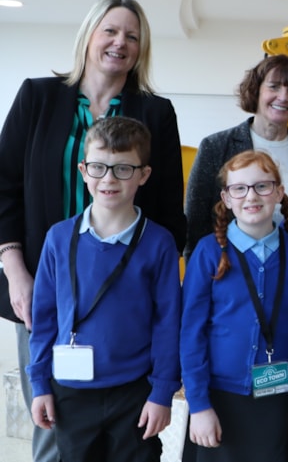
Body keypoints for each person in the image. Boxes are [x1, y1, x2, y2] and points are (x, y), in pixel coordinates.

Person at [0, 0, 185, 462]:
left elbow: (167, 208)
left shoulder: (155, 112)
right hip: (46, 286)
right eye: (110, 30)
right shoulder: (38, 97)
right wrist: (15, 268)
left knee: (126, 436)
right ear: (89, 35)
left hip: (126, 300)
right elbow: (4, 187)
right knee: (53, 427)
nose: (119, 43)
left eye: (132, 36)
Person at [27, 117, 181, 462]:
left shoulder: (158, 243)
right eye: (98, 167)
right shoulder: (58, 237)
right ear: (83, 170)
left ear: (143, 175)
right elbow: (44, 317)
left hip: (135, 392)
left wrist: (162, 391)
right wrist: (40, 385)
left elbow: (168, 322)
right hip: (70, 391)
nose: (109, 178)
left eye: (123, 168)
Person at [181, 150, 288, 462]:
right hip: (219, 398)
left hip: (281, 400)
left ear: (279, 193)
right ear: (226, 199)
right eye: (239, 188)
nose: (251, 196)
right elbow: (191, 333)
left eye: (262, 186)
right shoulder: (207, 253)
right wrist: (199, 405)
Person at [185, 54, 288, 259]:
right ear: (256, 91)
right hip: (229, 271)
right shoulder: (216, 147)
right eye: (274, 86)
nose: (283, 97)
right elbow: (196, 221)